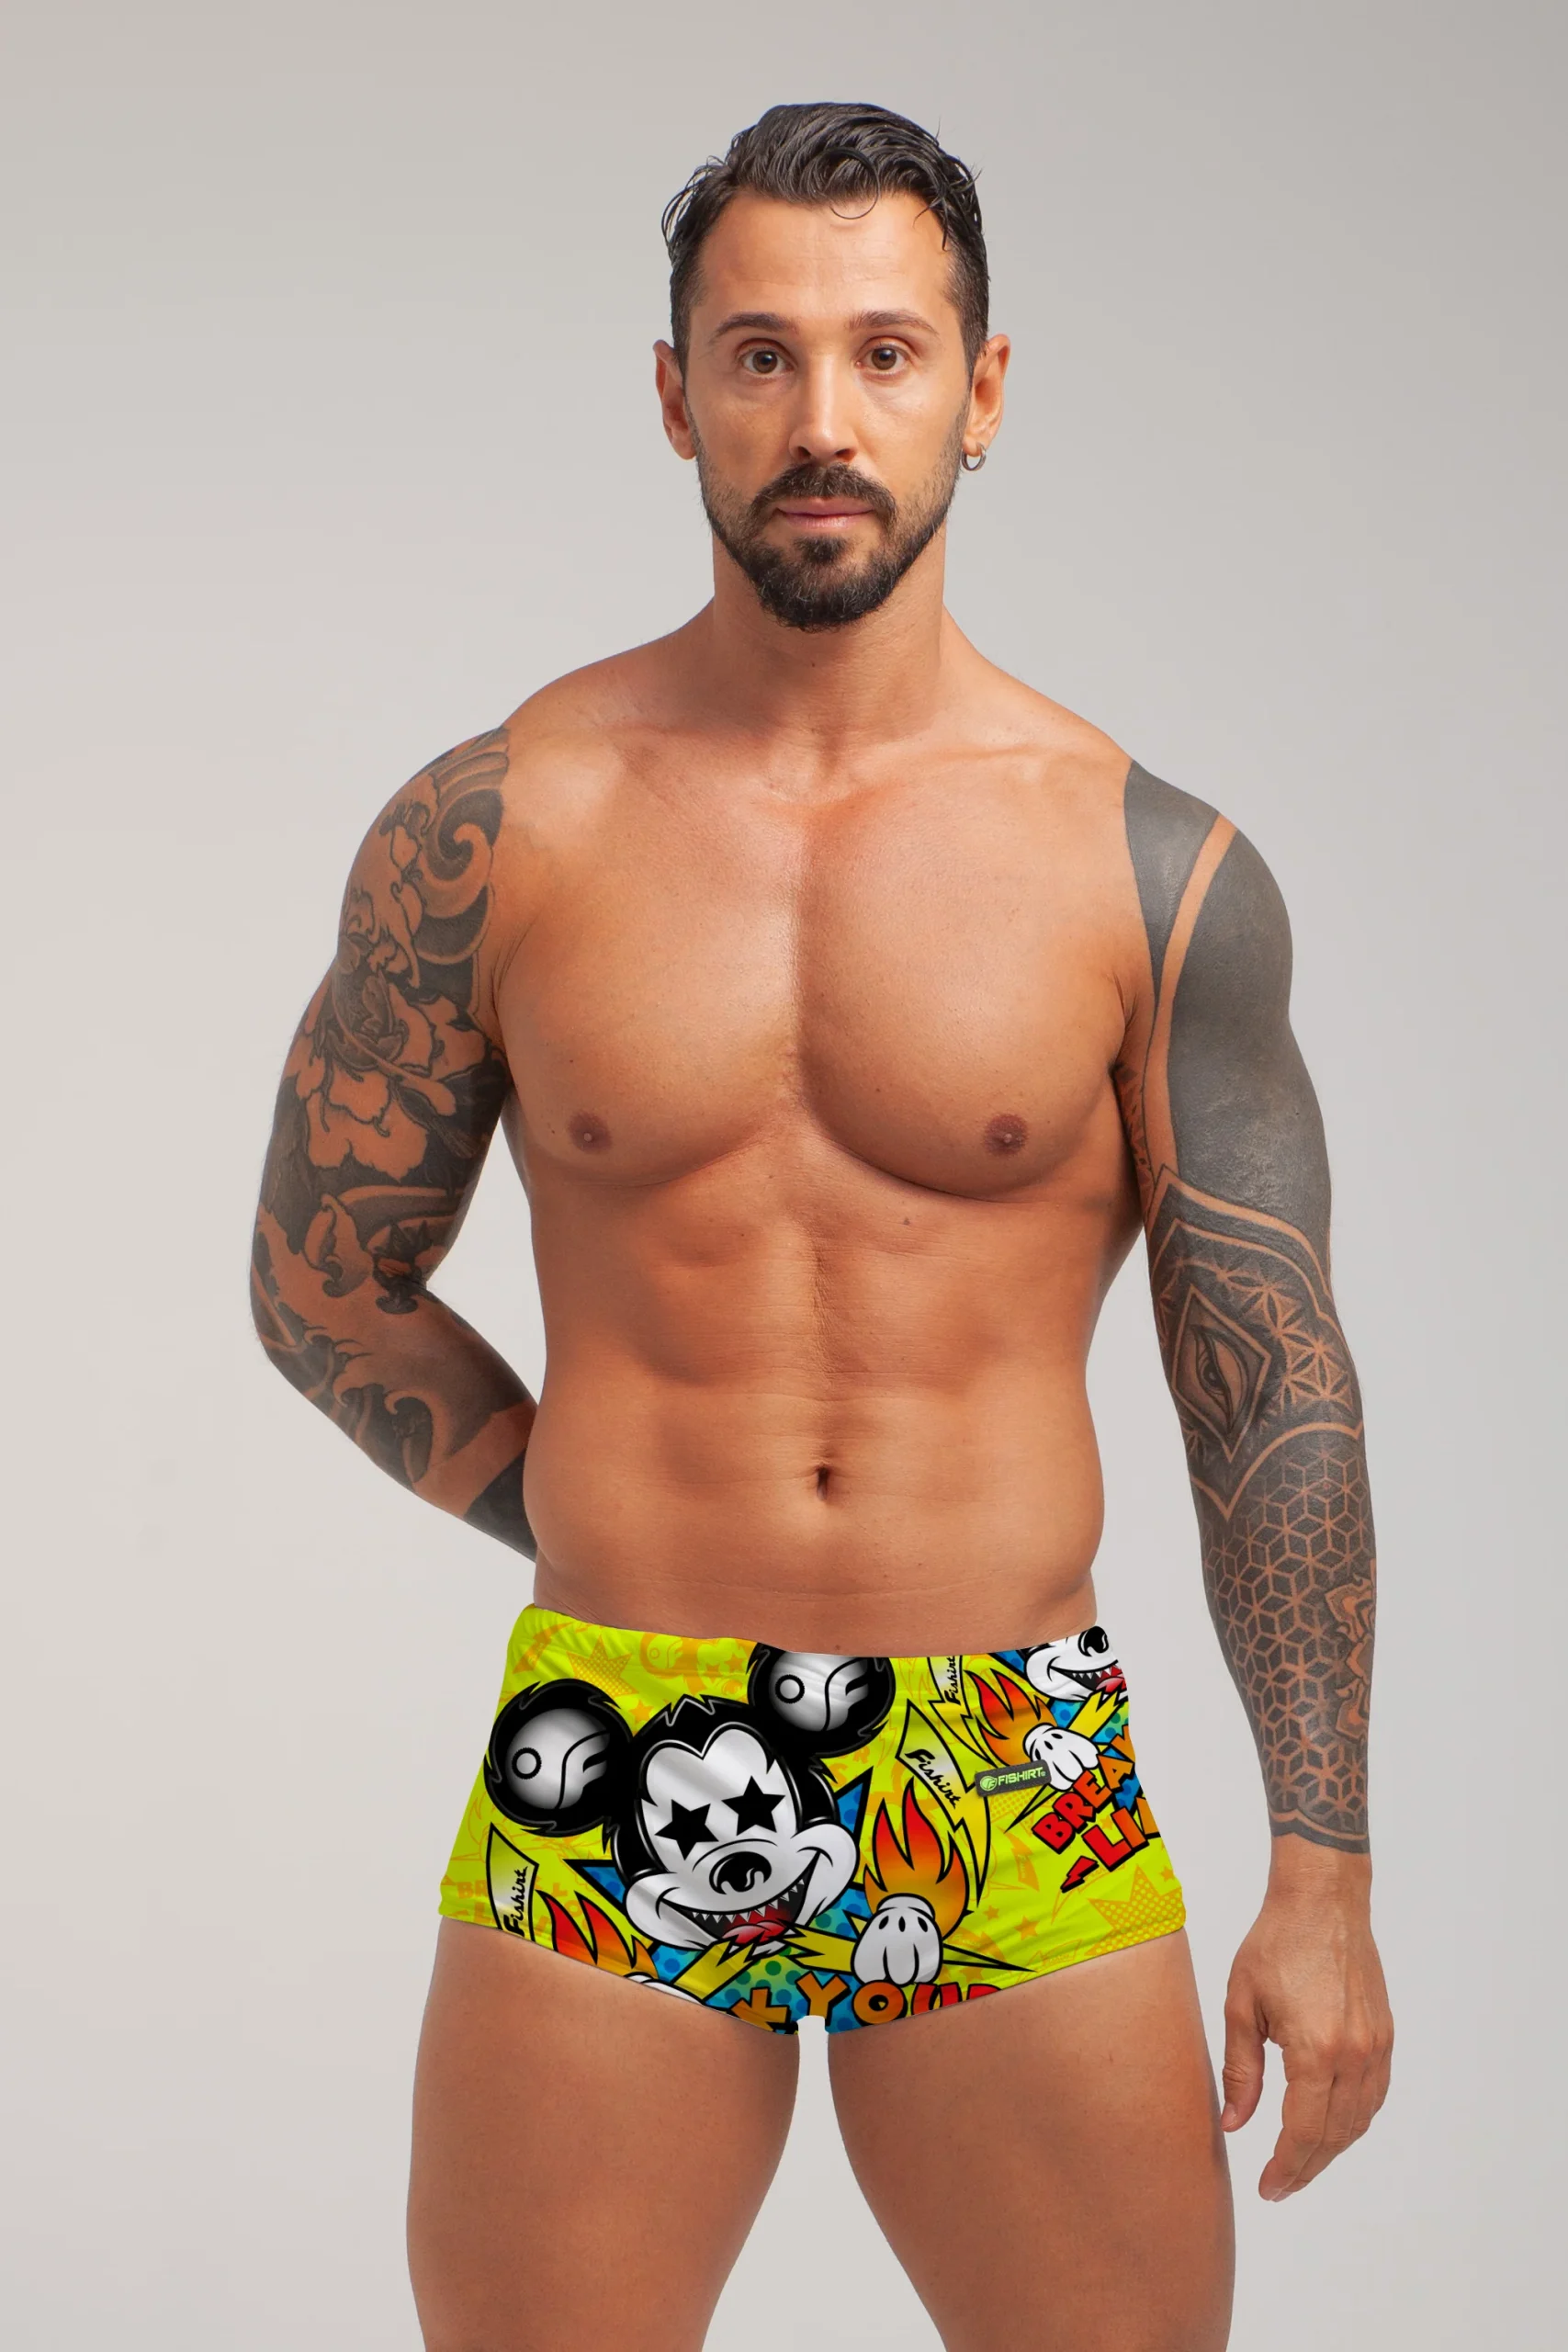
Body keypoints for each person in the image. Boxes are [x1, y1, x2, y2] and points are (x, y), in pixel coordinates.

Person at [250, 101, 1392, 2352]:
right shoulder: (499, 828)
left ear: (983, 389)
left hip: (1001, 1756)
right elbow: (321, 1285)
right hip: (620, 1725)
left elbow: (1268, 1390)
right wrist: (593, 1502)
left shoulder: (1147, 871)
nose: (820, 418)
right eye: (758, 355)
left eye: (884, 350)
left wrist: (1324, 1868)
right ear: (674, 394)